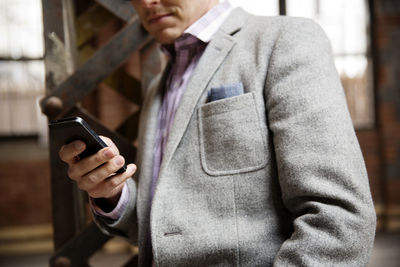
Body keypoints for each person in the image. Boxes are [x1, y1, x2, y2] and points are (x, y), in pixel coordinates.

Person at [59, 0, 377, 265]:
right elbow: (166, 230)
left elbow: (340, 219)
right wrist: (111, 193)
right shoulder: (159, 86)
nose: (146, 2)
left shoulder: (285, 40)